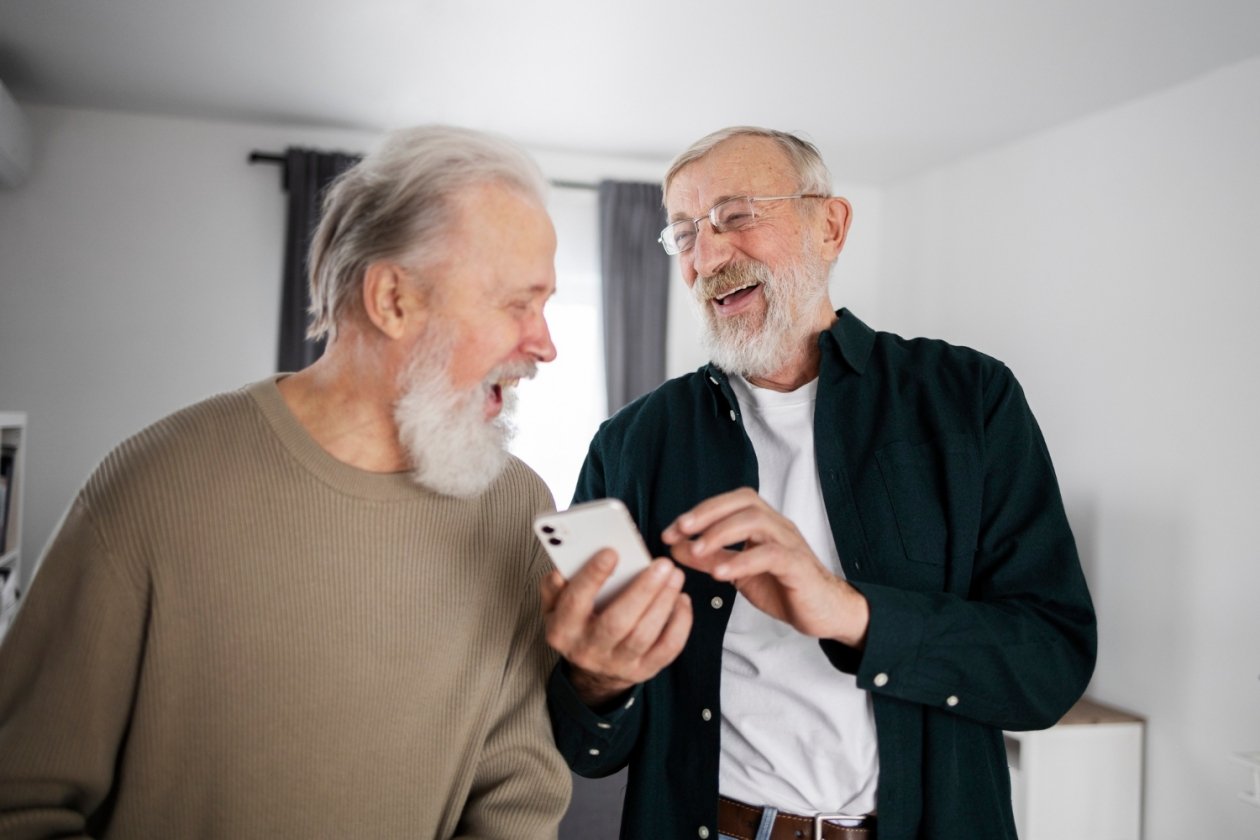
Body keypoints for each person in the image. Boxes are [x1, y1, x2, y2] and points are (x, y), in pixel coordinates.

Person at [0, 125, 571, 838]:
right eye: (518, 303)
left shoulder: (518, 509)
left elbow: (514, 799)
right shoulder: (153, 487)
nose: (545, 343)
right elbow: (19, 802)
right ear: (394, 299)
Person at [541, 126, 1096, 840]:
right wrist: (597, 679)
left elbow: (1049, 667)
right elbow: (588, 748)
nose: (707, 256)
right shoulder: (632, 442)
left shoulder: (970, 400)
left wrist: (846, 612)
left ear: (829, 225)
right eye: (683, 235)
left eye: (736, 216)